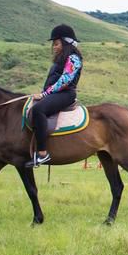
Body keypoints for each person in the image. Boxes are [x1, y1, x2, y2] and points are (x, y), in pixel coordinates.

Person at [27, 24, 83, 167]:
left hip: (66, 94)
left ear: (66, 43)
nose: (54, 47)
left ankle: (42, 153)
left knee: (38, 110)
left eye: (56, 43)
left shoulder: (73, 58)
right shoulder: (61, 59)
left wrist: (44, 94)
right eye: (54, 44)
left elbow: (65, 80)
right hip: (57, 93)